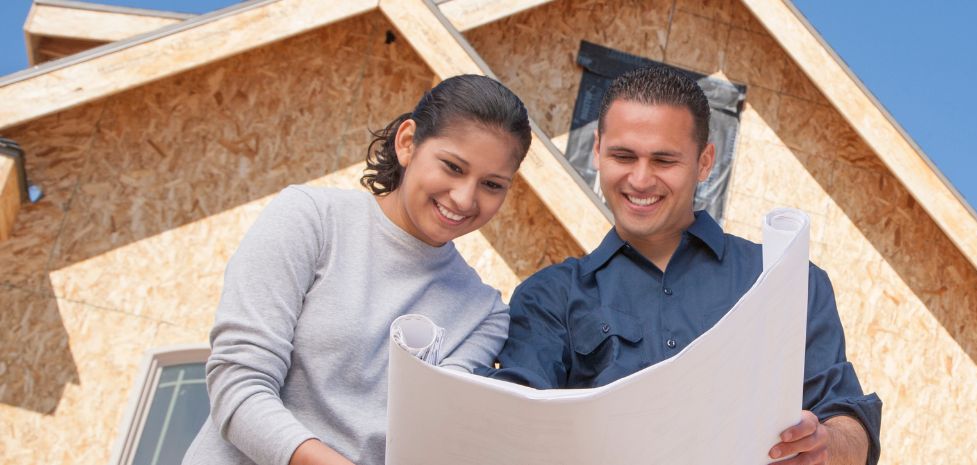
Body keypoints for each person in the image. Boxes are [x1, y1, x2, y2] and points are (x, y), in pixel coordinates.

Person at [487, 66, 882, 465]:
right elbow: (516, 424)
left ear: (705, 161)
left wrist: (827, 445)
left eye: (664, 160)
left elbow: (847, 417)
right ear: (597, 151)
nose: (640, 180)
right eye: (623, 156)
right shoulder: (548, 297)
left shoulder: (786, 281)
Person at [182, 74, 533, 465]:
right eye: (452, 167)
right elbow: (239, 384)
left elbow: (426, 436)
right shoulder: (310, 219)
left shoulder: (484, 315)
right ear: (407, 143)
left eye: (492, 184)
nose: (465, 198)